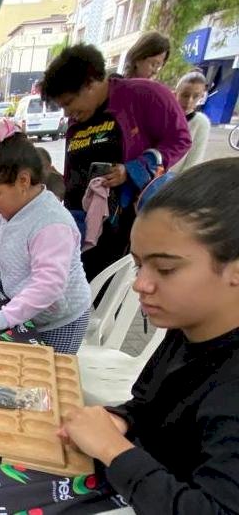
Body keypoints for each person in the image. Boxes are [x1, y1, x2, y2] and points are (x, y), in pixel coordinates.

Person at [60, 158, 239, 513]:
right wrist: (120, 419)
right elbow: (147, 403)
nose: (140, 284)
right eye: (139, 264)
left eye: (166, 268)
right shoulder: (187, 324)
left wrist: (113, 448)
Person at [40, 44, 191, 280]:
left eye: (69, 103)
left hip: (120, 225)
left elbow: (180, 139)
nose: (68, 113)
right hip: (80, 219)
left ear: (90, 83)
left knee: (103, 291)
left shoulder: (144, 94)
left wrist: (132, 169)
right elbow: (73, 170)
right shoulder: (78, 119)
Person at [0, 119, 91, 354]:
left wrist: (3, 317)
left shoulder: (52, 224)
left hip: (58, 321)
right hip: (27, 310)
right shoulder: (12, 210)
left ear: (23, 181)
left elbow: (48, 286)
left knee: (44, 382)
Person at [170, 71, 211, 173]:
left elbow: (194, 160)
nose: (189, 101)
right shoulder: (165, 116)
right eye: (185, 95)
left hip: (175, 181)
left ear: (201, 97)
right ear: (175, 94)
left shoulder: (201, 122)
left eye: (196, 96)